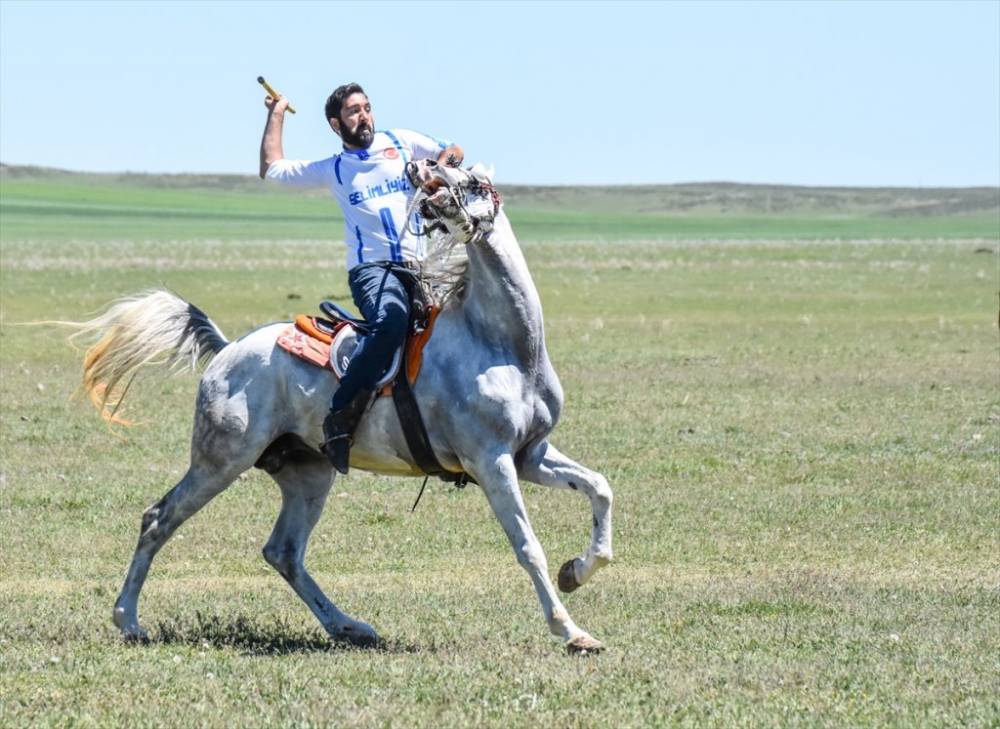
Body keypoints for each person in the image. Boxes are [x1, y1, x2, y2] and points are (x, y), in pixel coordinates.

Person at [259, 82, 464, 474]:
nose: (364, 116)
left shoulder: (400, 142)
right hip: (372, 272)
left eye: (367, 107)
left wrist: (435, 169)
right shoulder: (334, 170)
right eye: (353, 111)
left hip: (421, 269)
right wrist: (277, 114)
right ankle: (339, 418)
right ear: (337, 124)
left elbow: (453, 148)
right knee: (391, 321)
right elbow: (272, 169)